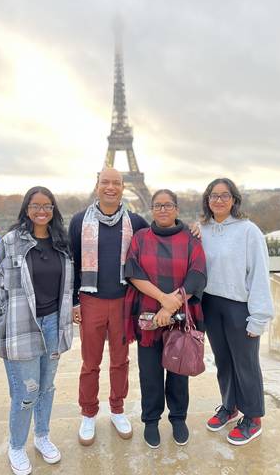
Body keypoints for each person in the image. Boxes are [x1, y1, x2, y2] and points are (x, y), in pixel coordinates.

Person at [0, 187, 73, 475]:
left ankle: (42, 436)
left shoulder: (62, 243)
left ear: (54, 209)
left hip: (53, 325)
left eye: (47, 205)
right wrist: (0, 322)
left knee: (47, 388)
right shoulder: (10, 242)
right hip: (21, 328)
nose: (42, 210)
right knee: (26, 392)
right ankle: (17, 445)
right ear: (27, 209)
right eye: (36, 205)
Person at [68, 167, 148, 446]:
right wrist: (75, 301)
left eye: (116, 183)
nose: (110, 187)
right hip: (91, 300)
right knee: (90, 363)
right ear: (97, 185)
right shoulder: (79, 221)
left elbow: (158, 243)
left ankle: (116, 409)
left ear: (124, 186)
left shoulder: (136, 222)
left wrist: (195, 228)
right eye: (105, 182)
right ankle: (88, 413)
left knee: (120, 361)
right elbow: (73, 264)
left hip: (123, 301)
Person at [124, 189, 207, 449]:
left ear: (177, 209)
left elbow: (197, 274)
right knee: (149, 374)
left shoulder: (191, 240)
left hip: (180, 317)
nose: (162, 209)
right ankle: (150, 421)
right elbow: (134, 273)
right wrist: (164, 299)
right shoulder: (140, 238)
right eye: (157, 205)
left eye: (168, 205)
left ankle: (178, 418)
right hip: (149, 318)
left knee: (178, 370)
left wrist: (170, 308)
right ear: (151, 208)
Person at [200, 178, 274, 446]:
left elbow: (259, 276)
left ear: (234, 199)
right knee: (223, 361)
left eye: (224, 195)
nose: (218, 200)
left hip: (238, 306)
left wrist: (259, 317)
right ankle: (229, 406)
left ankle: (253, 418)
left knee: (246, 364)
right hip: (211, 303)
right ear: (207, 200)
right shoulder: (202, 229)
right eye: (213, 195)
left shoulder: (248, 231)